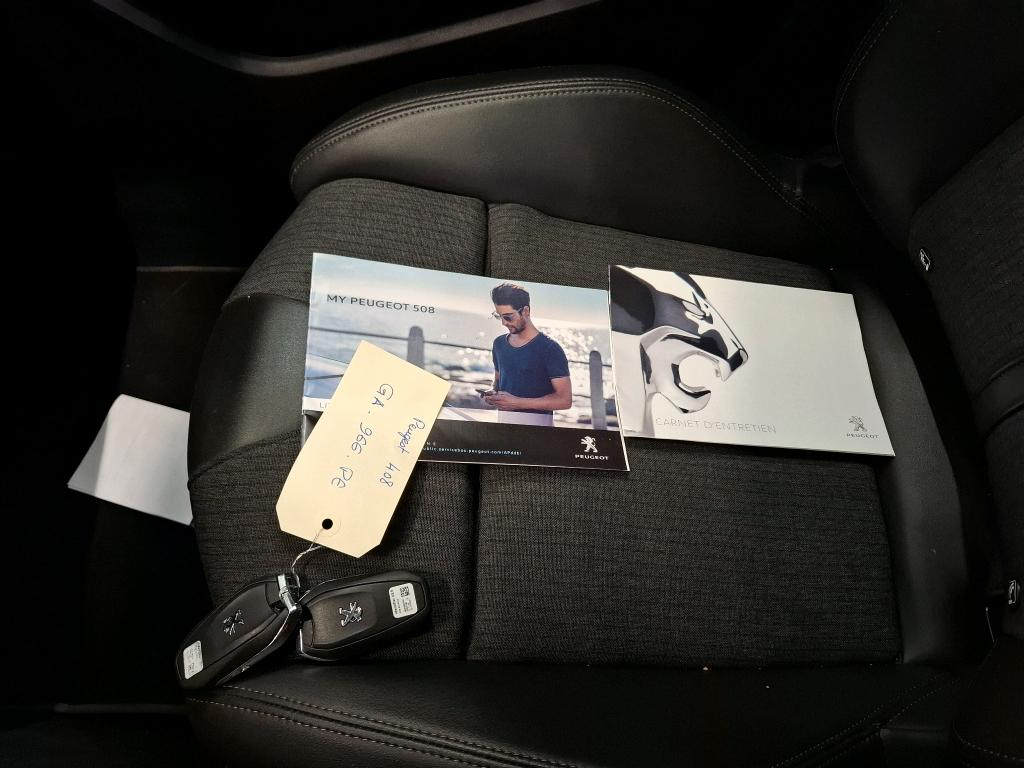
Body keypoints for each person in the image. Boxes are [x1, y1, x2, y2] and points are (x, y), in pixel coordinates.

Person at [482, 283, 572, 426]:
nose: (503, 323)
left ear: (525, 311)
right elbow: (498, 382)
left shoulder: (550, 349)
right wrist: (493, 393)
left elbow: (564, 400)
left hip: (537, 433)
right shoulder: (499, 344)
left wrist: (517, 403)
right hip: (503, 428)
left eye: (508, 317)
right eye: (499, 316)